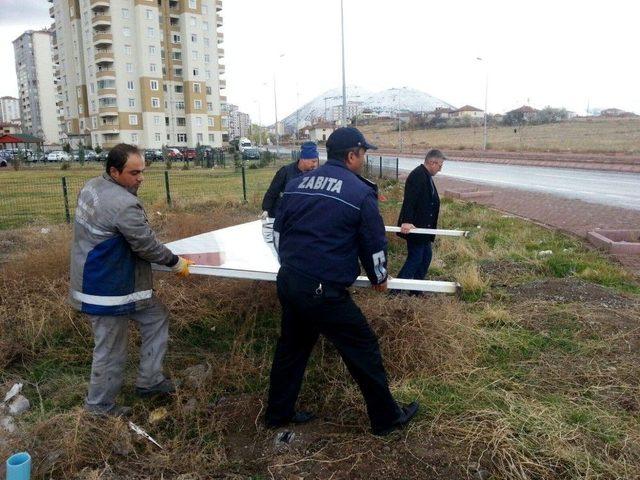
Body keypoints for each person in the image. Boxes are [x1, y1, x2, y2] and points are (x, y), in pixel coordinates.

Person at [266, 127, 419, 436]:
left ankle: (277, 413)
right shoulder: (359, 191)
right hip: (323, 291)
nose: (363, 160)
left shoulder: (296, 185)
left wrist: (292, 266)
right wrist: (378, 278)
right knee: (363, 347)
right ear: (352, 155)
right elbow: (374, 242)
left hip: (290, 281)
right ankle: (387, 419)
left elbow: (278, 234)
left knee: (291, 349)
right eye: (363, 154)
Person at [69, 143, 193, 416]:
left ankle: (150, 380)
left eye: (142, 171)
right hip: (106, 287)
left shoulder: (93, 186)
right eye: (133, 173)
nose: (140, 178)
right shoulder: (123, 204)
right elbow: (146, 245)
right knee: (111, 347)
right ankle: (99, 407)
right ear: (114, 171)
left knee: (156, 316)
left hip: (112, 279)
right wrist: (176, 262)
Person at [396, 149, 445, 282]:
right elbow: (409, 200)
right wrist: (406, 221)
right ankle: (396, 290)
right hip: (415, 228)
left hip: (424, 229)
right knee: (416, 259)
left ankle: (416, 289)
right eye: (440, 166)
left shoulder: (426, 175)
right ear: (432, 162)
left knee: (425, 258)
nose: (440, 169)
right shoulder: (418, 175)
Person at [260, 141, 319, 243]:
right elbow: (272, 191)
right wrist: (266, 209)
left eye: (316, 161)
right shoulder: (286, 172)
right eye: (313, 161)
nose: (315, 165)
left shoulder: (316, 174)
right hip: (281, 218)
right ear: (303, 159)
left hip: (303, 220)